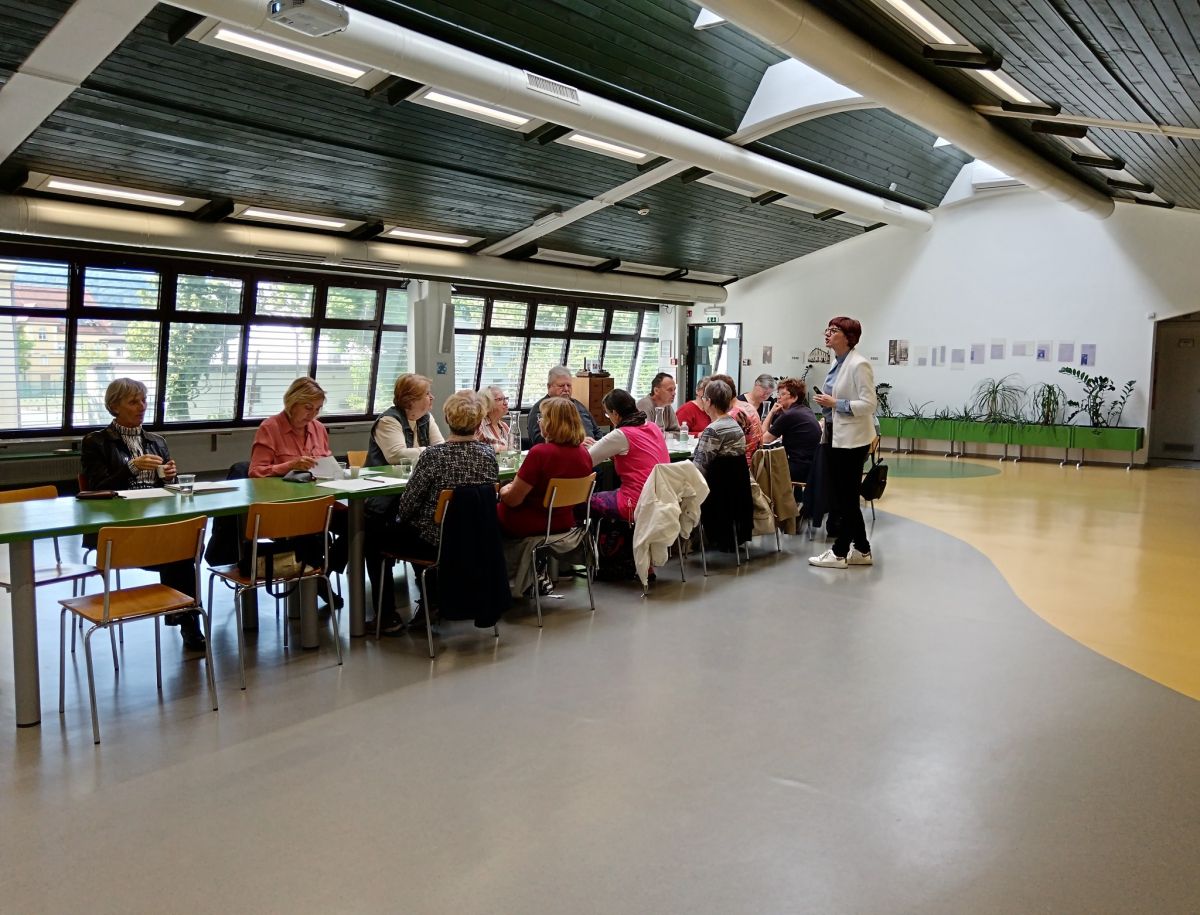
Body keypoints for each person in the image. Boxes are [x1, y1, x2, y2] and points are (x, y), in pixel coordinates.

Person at [80, 378, 205, 652]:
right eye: (133, 401)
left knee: (184, 544)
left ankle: (184, 614)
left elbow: (166, 489)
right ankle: (187, 620)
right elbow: (96, 488)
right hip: (118, 528)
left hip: (155, 522)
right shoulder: (96, 442)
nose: (142, 406)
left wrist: (169, 476)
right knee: (180, 552)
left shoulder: (156, 441)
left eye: (144, 400)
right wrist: (132, 468)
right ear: (114, 406)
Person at [372, 391, 500, 634]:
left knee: (373, 538)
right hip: (475, 539)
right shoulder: (487, 454)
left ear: (447, 418)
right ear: (479, 421)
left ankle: (387, 615)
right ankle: (431, 600)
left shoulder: (432, 456)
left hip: (436, 541)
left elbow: (407, 506)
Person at [248, 376, 347, 597]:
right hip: (286, 508)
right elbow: (255, 472)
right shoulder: (270, 427)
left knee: (361, 524)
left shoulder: (318, 428)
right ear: (292, 403)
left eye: (318, 409)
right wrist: (289, 465)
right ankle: (314, 574)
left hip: (320, 503)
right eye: (308, 408)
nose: (312, 415)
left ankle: (324, 573)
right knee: (311, 534)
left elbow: (326, 463)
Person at [809, 317, 878, 570]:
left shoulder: (859, 364)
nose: (827, 333)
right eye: (827, 329)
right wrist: (828, 405)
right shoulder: (837, 362)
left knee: (846, 498)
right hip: (835, 435)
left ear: (848, 337)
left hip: (852, 440)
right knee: (844, 496)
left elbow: (869, 404)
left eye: (834, 330)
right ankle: (862, 549)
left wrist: (835, 404)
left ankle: (839, 552)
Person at [589, 389, 670, 522]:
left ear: (615, 414)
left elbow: (586, 460)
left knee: (581, 503)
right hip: (662, 500)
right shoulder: (653, 427)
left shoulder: (621, 434)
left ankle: (592, 536)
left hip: (634, 503)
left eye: (608, 414)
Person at [364, 373, 445, 467]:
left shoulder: (426, 417)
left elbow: (441, 448)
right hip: (382, 475)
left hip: (412, 474)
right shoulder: (388, 420)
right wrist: (430, 451)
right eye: (427, 394)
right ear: (411, 400)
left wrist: (433, 451)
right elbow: (396, 456)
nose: (432, 397)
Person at [762, 377, 822, 483]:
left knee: (761, 470)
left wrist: (771, 412)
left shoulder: (790, 415)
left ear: (794, 397)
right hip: (812, 467)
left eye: (783, 394)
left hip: (797, 468)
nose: (778, 397)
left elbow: (764, 439)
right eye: (778, 394)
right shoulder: (806, 410)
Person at [527, 366, 599, 446]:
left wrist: (597, 445)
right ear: (549, 387)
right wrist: (576, 442)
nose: (566, 389)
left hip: (592, 450)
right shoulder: (541, 409)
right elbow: (538, 440)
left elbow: (597, 432)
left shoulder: (579, 405)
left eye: (569, 385)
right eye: (561, 386)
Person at [690, 379, 746, 476]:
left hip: (715, 483)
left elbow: (698, 469)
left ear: (708, 401)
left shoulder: (713, 430)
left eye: (703, 398)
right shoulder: (735, 425)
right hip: (737, 483)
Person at [711, 372, 763, 466]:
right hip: (756, 463)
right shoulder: (748, 406)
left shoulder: (733, 414)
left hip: (742, 466)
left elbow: (715, 444)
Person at [477, 385, 511, 451]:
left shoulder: (504, 426)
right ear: (486, 403)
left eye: (505, 398)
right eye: (500, 399)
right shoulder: (479, 426)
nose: (506, 403)